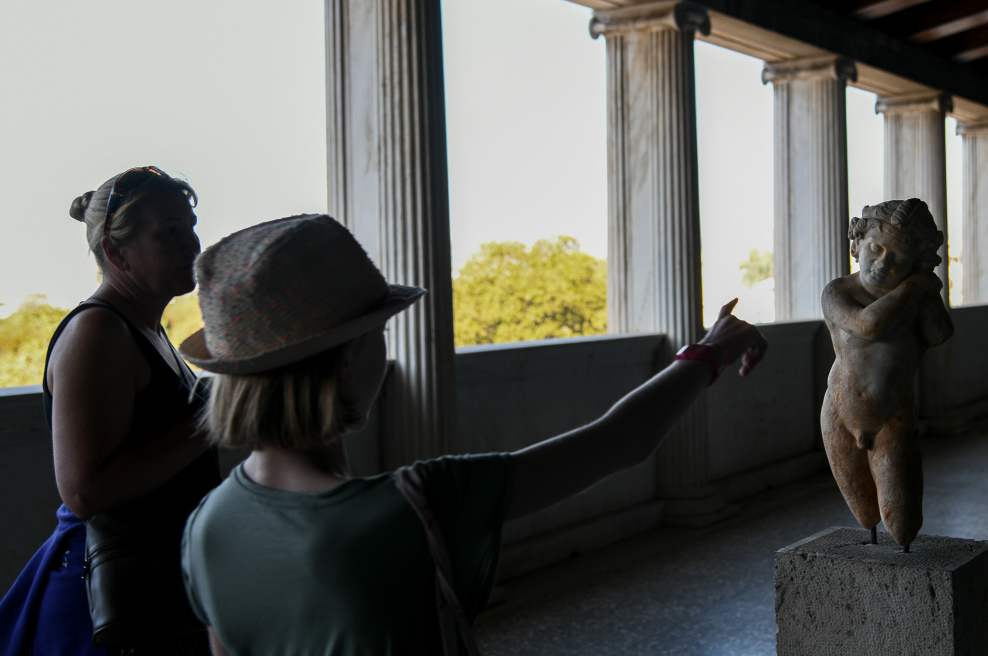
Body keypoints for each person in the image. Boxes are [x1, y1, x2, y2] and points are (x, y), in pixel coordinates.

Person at [178, 214, 767, 656]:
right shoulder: (415, 505)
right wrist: (709, 352)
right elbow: (621, 440)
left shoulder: (207, 527)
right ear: (349, 355)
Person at [0, 167, 221, 655]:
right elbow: (86, 491)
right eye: (169, 231)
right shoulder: (98, 332)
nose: (192, 242)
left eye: (189, 225)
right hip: (104, 602)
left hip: (149, 585)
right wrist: (212, 420)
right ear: (115, 251)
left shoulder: (148, 329)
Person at [819, 198, 953, 551]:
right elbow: (868, 325)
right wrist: (916, 286)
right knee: (864, 512)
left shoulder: (917, 297)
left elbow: (939, 333)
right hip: (838, 411)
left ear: (915, 262)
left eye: (897, 258)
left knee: (902, 518)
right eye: (875, 248)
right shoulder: (839, 291)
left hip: (892, 413)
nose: (882, 263)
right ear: (857, 243)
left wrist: (927, 293)